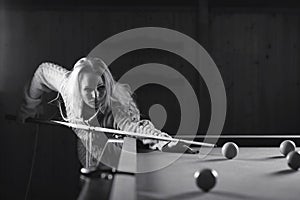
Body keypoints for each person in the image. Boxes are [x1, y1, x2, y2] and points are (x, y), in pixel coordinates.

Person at [18, 57, 176, 169]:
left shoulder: (114, 106)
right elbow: (42, 72)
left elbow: (134, 128)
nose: (95, 96)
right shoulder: (68, 86)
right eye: (87, 90)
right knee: (88, 166)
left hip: (118, 138)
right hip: (86, 140)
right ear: (76, 89)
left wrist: (164, 141)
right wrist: (29, 107)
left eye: (101, 88)